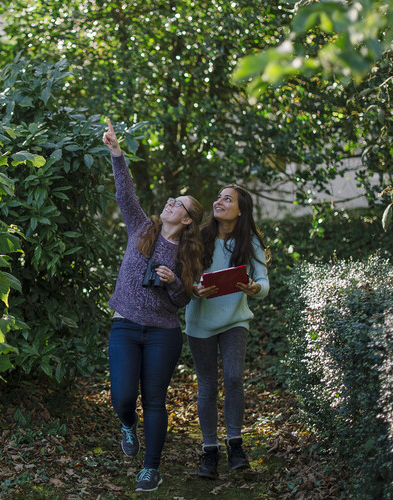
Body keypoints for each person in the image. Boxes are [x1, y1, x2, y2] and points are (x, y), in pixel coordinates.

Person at [101, 119, 204, 492]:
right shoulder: (141, 228)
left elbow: (182, 300)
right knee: (123, 396)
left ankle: (150, 469)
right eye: (171, 199)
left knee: (155, 401)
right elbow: (125, 194)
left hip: (163, 333)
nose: (170, 202)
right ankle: (127, 424)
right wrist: (116, 152)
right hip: (125, 324)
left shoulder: (188, 254)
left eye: (179, 204)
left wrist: (173, 280)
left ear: (187, 219)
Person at [185, 185, 270, 480]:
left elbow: (263, 280)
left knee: (233, 377)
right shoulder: (199, 236)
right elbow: (187, 281)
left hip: (235, 320)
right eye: (219, 197)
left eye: (227, 199)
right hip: (200, 323)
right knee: (207, 386)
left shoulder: (250, 242)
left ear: (240, 210)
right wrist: (195, 290)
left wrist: (255, 288)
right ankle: (210, 450)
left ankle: (235, 444)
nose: (218, 202)